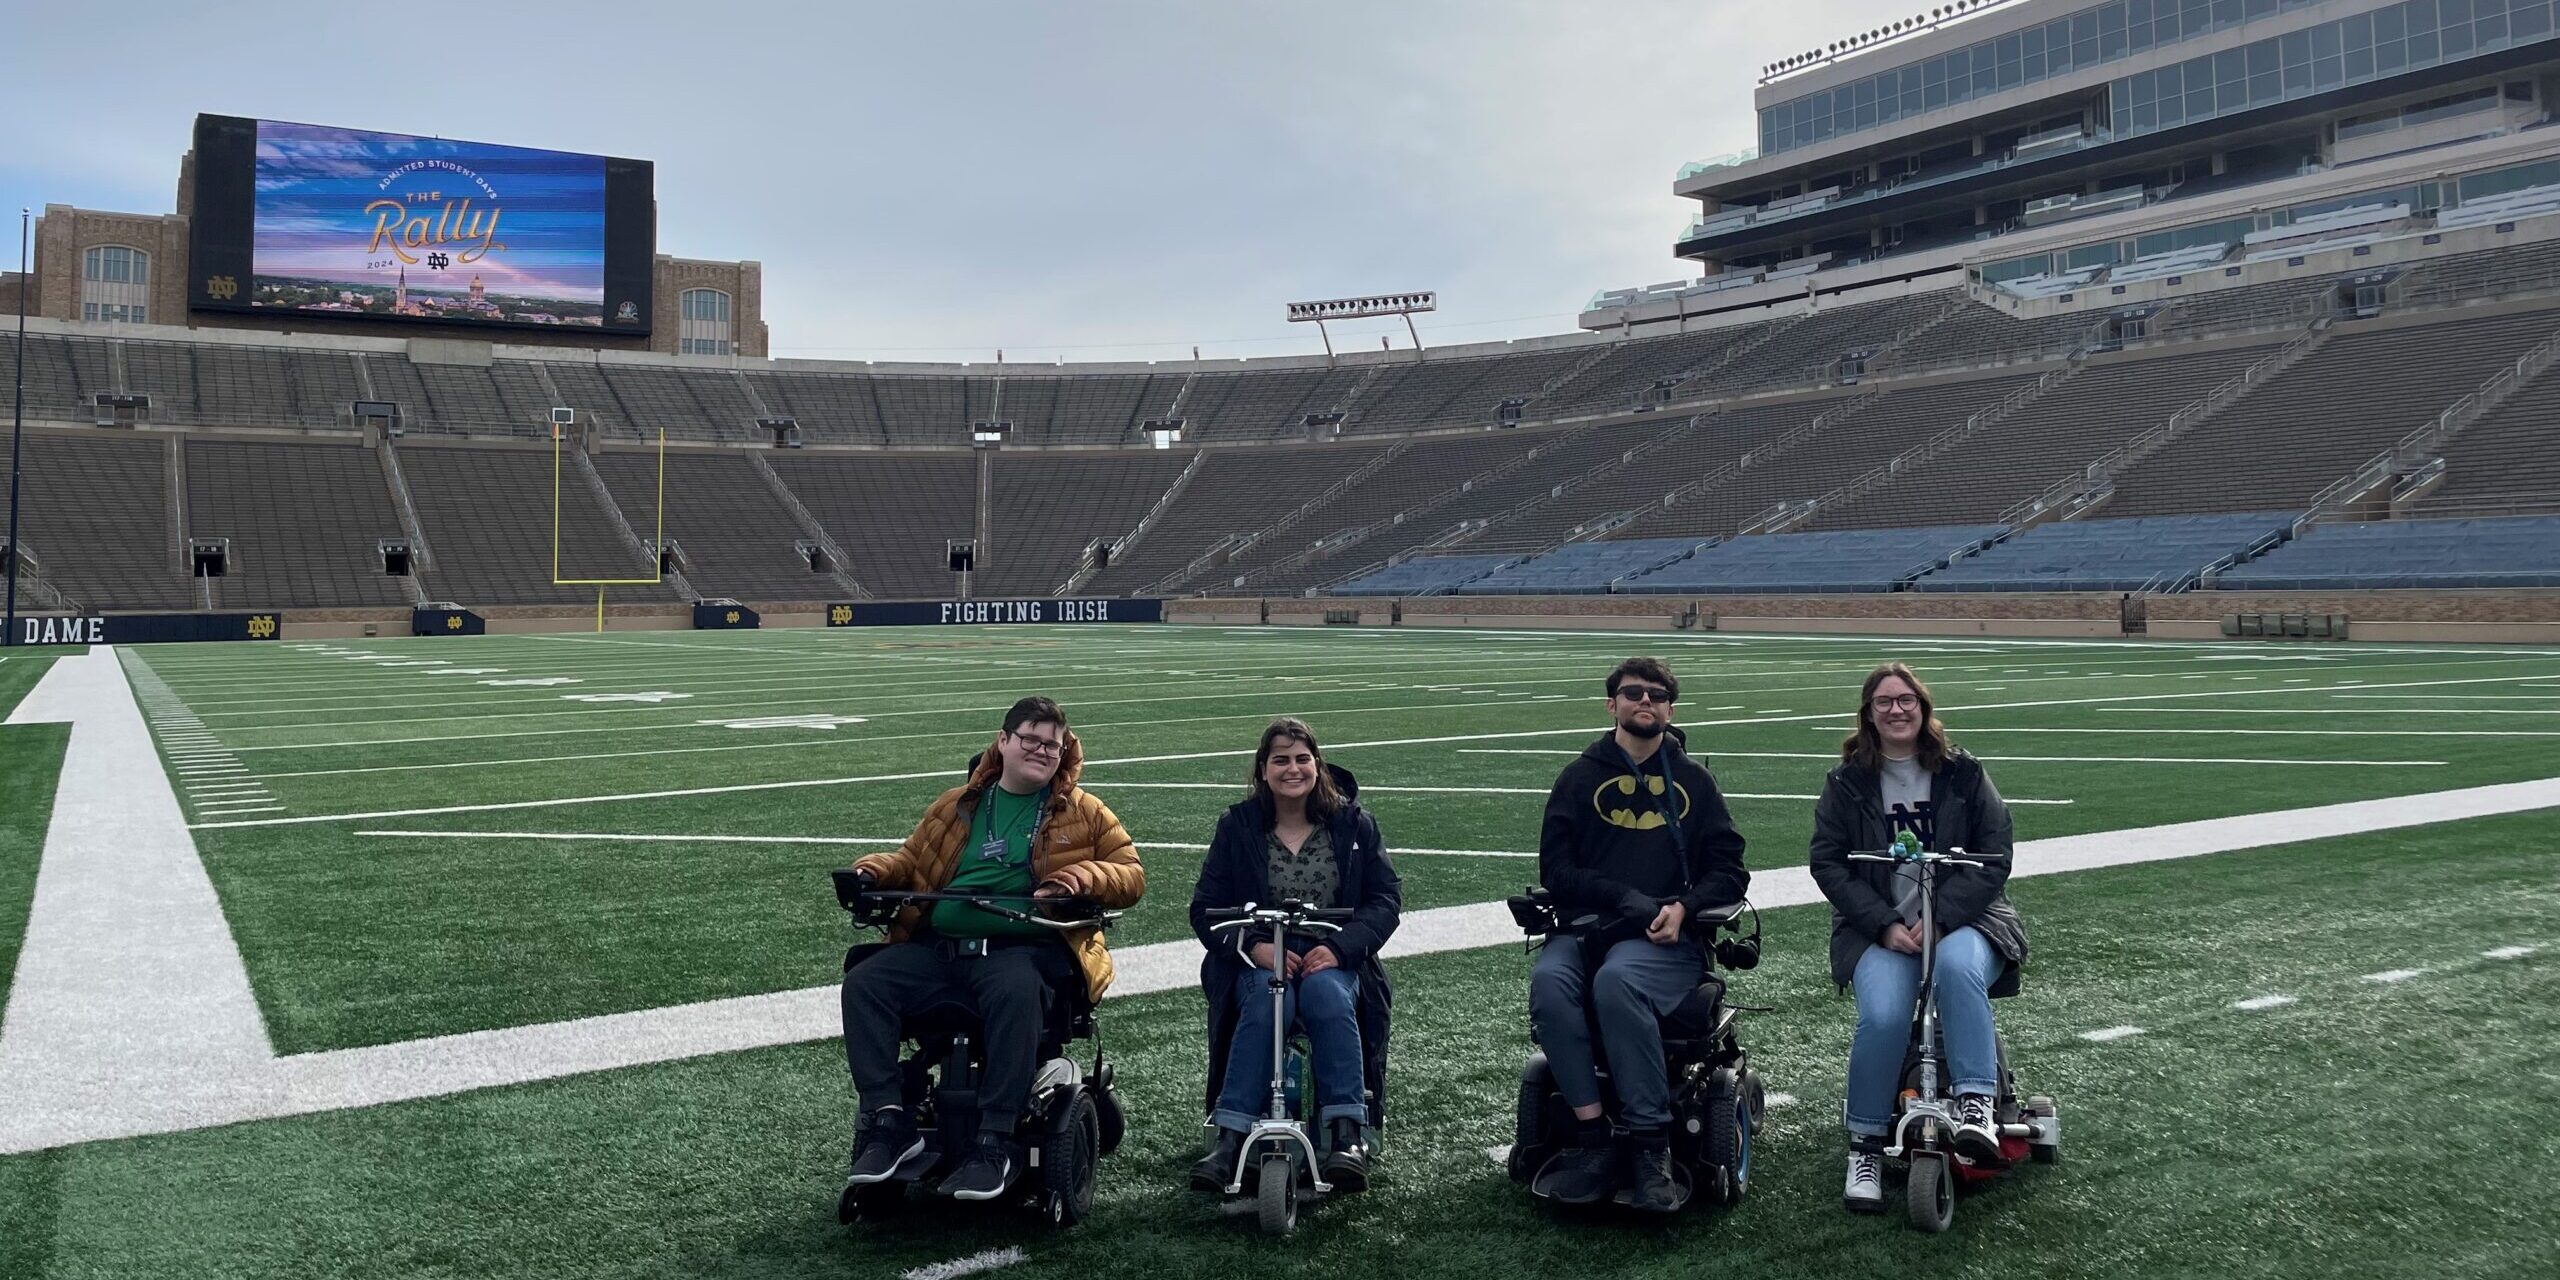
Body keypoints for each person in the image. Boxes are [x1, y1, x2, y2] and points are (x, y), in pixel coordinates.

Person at [840, 696, 1144, 1201]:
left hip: (1024, 948)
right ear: (1002, 743)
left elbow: (1131, 874)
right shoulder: (956, 805)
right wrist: (872, 871)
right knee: (866, 982)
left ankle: (995, 1140)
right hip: (941, 948)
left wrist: (1079, 877)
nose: (1043, 751)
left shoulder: (1085, 811)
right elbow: (912, 861)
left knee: (1016, 987)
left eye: (1053, 744)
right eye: (1031, 739)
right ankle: (889, 1120)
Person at [1529, 657, 1749, 1213]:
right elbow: (1556, 872)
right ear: (1612, 705)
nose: (1644, 702)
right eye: (1633, 693)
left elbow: (1730, 869)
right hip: (1588, 930)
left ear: (1670, 709)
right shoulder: (1578, 778)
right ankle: (1593, 1135)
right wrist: (1622, 898)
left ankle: (1652, 1144)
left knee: (1618, 982)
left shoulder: (1695, 781)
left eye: (1656, 695)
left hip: (1664, 941)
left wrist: (1685, 906)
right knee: (1551, 983)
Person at [1809, 662, 2027, 1214]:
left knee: (1956, 968)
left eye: (1906, 700)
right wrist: (1882, 923)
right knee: (1883, 1014)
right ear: (1868, 714)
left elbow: (1995, 854)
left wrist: (1943, 920)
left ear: (1923, 709)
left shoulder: (1963, 772)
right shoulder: (1846, 782)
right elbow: (1827, 862)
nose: (1896, 710)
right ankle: (1865, 1145)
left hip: (1967, 923)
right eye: (1883, 702)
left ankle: (1976, 1102)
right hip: (1878, 931)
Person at [1189, 718, 1401, 1194]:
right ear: (1263, 769)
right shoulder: (1237, 826)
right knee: (1267, 998)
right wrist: (1256, 948)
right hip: (1260, 956)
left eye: (1302, 758)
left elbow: (1385, 899)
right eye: (1280, 759)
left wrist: (1340, 948)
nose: (1293, 769)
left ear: (1317, 765)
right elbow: (1204, 908)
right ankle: (1230, 1136)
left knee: (1326, 995)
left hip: (1333, 955)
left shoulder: (1353, 824)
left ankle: (1347, 1133)